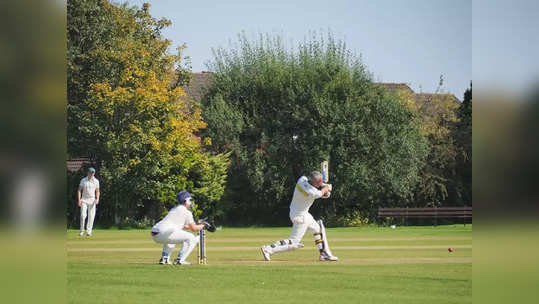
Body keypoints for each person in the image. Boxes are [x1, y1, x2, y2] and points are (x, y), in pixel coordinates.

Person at [260, 171, 339, 262]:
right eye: (318, 183)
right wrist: (327, 188)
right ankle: (268, 249)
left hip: (299, 213)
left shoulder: (302, 179)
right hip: (301, 217)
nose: (319, 185)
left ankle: (324, 254)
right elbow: (319, 193)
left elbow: (320, 191)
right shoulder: (311, 191)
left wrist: (324, 188)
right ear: (314, 182)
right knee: (294, 242)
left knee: (318, 229)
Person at [150, 191, 206, 265]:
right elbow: (194, 228)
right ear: (186, 201)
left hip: (155, 232)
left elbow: (184, 226)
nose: (191, 203)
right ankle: (180, 260)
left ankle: (165, 258)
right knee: (191, 238)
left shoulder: (174, 209)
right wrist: (204, 226)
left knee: (172, 235)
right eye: (190, 200)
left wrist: (200, 225)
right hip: (164, 232)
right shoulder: (187, 212)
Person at [78, 167, 100, 237]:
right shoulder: (83, 180)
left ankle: (89, 231)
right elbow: (79, 190)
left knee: (91, 216)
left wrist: (97, 199)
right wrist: (79, 200)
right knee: (83, 215)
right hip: (84, 199)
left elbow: (97, 191)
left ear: (94, 173)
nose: (91, 174)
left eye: (93, 172)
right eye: (90, 172)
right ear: (88, 173)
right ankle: (81, 231)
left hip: (92, 200)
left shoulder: (96, 181)